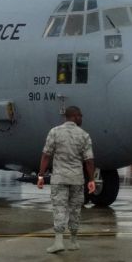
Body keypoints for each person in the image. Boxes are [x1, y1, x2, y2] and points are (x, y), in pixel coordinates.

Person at [37, 105, 95, 253]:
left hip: (59, 178)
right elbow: (89, 160)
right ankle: (74, 241)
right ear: (74, 117)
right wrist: (92, 180)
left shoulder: (54, 132)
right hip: (77, 179)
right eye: (80, 116)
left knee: (59, 208)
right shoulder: (84, 135)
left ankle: (58, 242)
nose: (81, 118)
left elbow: (46, 155)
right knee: (75, 210)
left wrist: (41, 175)